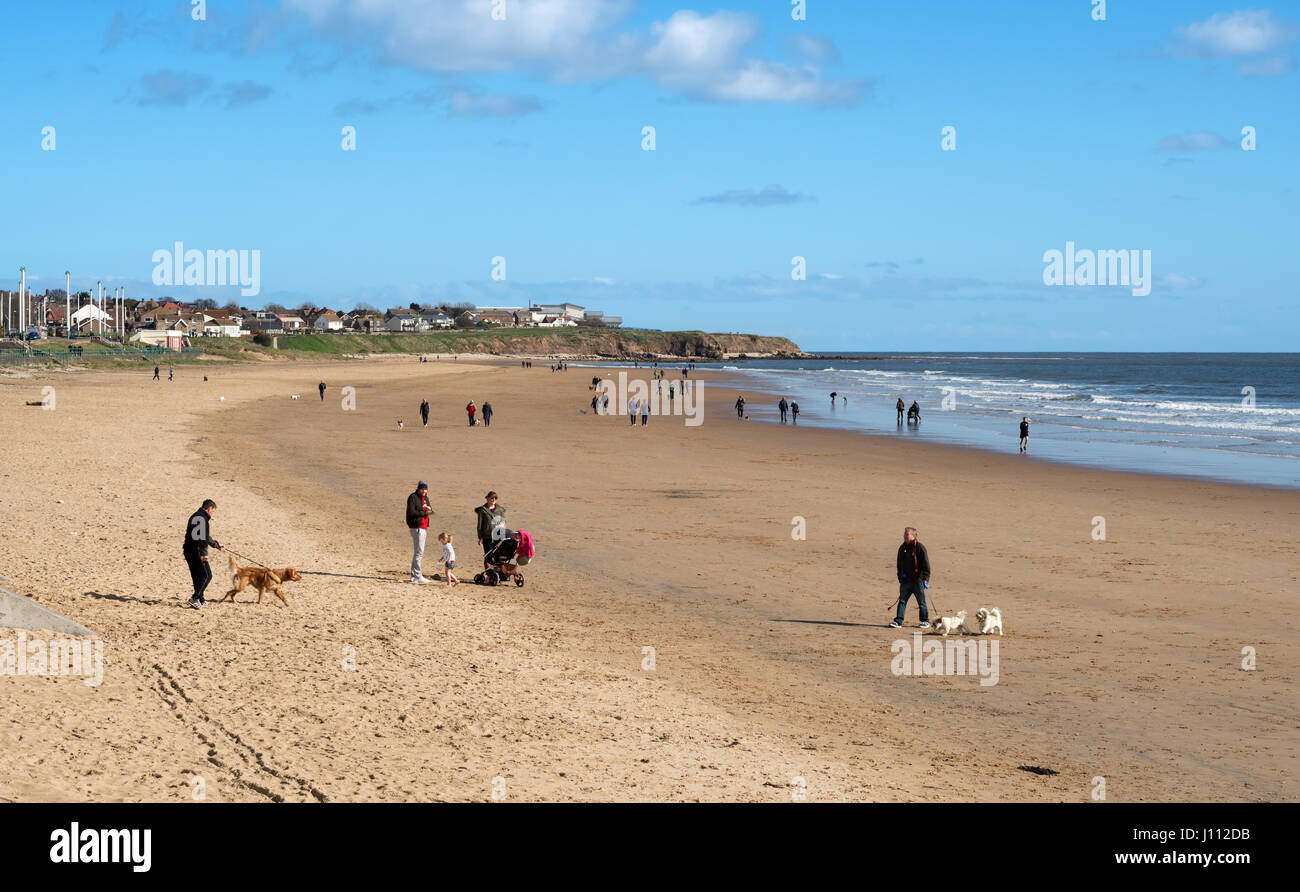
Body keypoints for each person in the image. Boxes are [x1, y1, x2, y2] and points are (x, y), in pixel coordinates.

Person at [183, 499, 225, 609]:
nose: (212, 513)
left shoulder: (197, 516)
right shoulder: (202, 519)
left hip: (189, 550)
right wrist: (204, 555)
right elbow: (201, 540)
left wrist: (216, 545)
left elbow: (204, 536)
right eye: (213, 511)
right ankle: (195, 598)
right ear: (209, 509)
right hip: (196, 552)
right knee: (206, 575)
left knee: (199, 576)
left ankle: (200, 599)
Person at [890, 527, 931, 630]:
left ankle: (925, 621)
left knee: (921, 602)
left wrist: (926, 579)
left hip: (918, 580)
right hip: (906, 581)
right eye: (904, 534)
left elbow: (926, 564)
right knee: (902, 601)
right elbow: (899, 564)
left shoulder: (920, 548)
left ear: (913, 536)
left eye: (907, 534)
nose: (904, 536)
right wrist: (900, 577)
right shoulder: (902, 548)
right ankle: (898, 621)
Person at [406, 481, 433, 583]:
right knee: (419, 552)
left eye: (426, 489)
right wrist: (423, 511)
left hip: (424, 527)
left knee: (418, 552)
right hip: (416, 527)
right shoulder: (413, 497)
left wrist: (429, 510)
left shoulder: (426, 498)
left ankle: (414, 576)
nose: (425, 491)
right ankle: (418, 575)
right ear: (418, 489)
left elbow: (429, 509)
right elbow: (411, 512)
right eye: (423, 489)